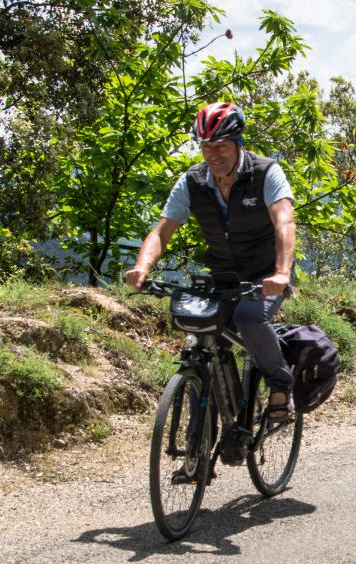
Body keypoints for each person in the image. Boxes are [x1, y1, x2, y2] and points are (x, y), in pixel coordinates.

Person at [124, 102, 297, 419]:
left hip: (265, 272)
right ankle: (199, 455)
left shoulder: (266, 173)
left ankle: (280, 385)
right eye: (206, 147)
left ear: (238, 143)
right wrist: (142, 267)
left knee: (248, 318)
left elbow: (284, 222)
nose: (213, 155)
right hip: (223, 274)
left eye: (221, 146)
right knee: (206, 342)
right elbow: (161, 231)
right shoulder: (193, 181)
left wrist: (282, 273)